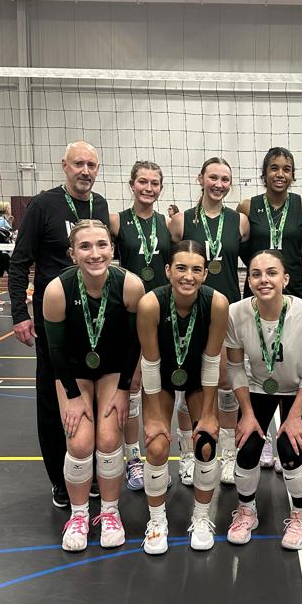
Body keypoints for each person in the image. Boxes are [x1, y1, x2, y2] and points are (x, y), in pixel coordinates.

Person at [9, 140, 109, 509]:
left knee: (92, 398)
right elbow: (20, 261)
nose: (85, 171)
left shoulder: (100, 205)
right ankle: (60, 480)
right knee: (55, 401)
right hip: (55, 321)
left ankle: (90, 472)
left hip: (94, 320)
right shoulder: (43, 204)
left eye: (91, 165)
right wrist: (19, 313)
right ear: (64, 165)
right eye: (79, 164)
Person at [42, 220, 144, 552]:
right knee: (80, 442)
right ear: (72, 254)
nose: (95, 253)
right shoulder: (57, 290)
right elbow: (55, 350)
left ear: (112, 249)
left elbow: (135, 343)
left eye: (102, 245)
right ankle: (79, 515)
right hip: (73, 371)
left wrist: (124, 389)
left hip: (113, 368)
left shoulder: (130, 285)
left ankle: (110, 512)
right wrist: (72, 397)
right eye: (85, 246)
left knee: (110, 437)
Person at [224, 250, 302, 551]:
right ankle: (246, 511)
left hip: (299, 387)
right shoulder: (235, 313)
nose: (263, 280)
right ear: (249, 280)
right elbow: (234, 366)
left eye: (271, 273)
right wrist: (246, 413)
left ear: (286, 279)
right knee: (247, 446)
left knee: (289, 448)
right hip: (258, 386)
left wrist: (294, 416)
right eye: (256, 274)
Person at [137, 240, 229, 554]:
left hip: (198, 378)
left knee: (205, 443)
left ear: (205, 274)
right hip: (162, 378)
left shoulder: (217, 303)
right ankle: (156, 521)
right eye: (181, 268)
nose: (188, 276)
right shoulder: (151, 304)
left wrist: (209, 414)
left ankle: (201, 517)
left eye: (196, 269)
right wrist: (152, 417)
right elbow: (150, 364)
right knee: (157, 445)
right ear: (168, 271)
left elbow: (212, 361)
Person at [169, 157, 250, 488]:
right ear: (200, 178)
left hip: (226, 311)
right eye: (213, 177)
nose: (218, 184)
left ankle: (228, 452)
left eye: (225, 179)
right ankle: (188, 453)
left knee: (227, 383)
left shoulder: (240, 222)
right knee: (188, 384)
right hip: (189, 312)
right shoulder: (180, 221)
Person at [238, 147, 302, 469]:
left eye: (286, 168)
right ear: (264, 173)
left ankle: (286, 430)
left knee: (289, 364)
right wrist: (263, 274)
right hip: (260, 288)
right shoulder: (247, 206)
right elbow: (242, 248)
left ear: (293, 174)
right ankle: (264, 435)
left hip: (292, 289)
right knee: (258, 361)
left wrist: (291, 275)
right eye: (274, 168)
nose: (280, 174)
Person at [110, 161, 171, 492]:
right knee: (133, 385)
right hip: (131, 314)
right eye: (143, 182)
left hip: (162, 313)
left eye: (154, 183)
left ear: (160, 187)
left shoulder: (168, 224)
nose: (149, 188)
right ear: (132, 184)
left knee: (163, 385)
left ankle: (164, 455)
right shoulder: (116, 221)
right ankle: (133, 457)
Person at [0, 200, 14, 307]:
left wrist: (10, 225)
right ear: (5, 209)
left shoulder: (3, 219)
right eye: (9, 208)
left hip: (2, 252)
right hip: (2, 253)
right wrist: (10, 235)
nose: (10, 209)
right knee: (14, 274)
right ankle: (16, 297)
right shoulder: (1, 220)